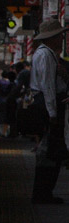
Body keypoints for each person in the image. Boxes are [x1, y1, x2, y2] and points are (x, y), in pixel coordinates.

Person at [29, 19, 69, 203]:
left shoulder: (44, 54)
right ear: (51, 38)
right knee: (51, 151)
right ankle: (43, 193)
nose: (62, 38)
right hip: (47, 105)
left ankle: (43, 192)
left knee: (50, 150)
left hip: (44, 103)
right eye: (60, 35)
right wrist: (52, 113)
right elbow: (48, 87)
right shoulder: (46, 56)